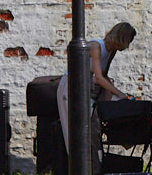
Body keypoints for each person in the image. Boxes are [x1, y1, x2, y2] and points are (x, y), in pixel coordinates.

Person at [55, 22, 137, 151]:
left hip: (86, 87)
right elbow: (99, 77)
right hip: (71, 86)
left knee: (91, 127)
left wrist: (117, 98)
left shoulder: (111, 52)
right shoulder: (96, 46)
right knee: (73, 130)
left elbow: (104, 77)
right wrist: (119, 93)